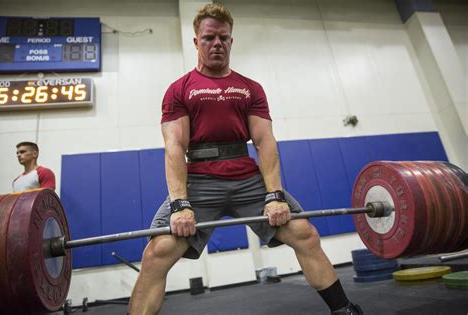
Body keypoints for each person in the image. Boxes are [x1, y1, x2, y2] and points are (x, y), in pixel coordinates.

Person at [129, 3, 362, 315]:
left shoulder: (250, 88)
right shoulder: (179, 89)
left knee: (305, 234)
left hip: (246, 179)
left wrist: (275, 195)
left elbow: (264, 141)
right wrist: (180, 204)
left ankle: (344, 310)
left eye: (223, 38)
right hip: (199, 181)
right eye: (209, 37)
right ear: (196, 41)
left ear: (231, 41)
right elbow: (174, 147)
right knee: (157, 253)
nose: (217, 44)